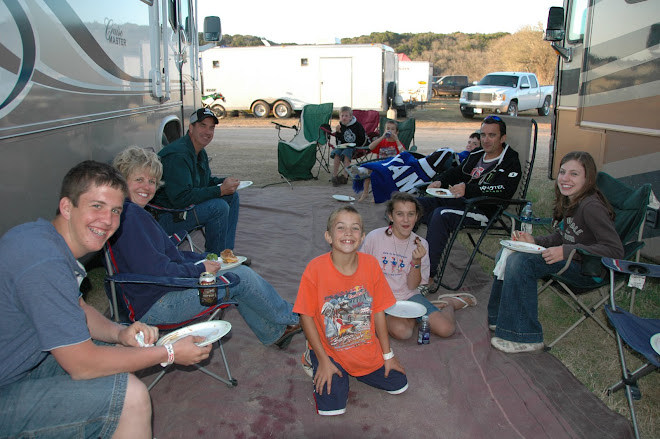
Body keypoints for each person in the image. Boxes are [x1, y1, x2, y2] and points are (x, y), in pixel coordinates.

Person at [0, 161, 212, 439]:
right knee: (130, 397)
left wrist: (119, 333)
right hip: (9, 384)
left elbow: (77, 308)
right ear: (67, 207)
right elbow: (83, 365)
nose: (108, 220)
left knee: (117, 354)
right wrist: (169, 353)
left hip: (20, 364)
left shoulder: (41, 238)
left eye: (115, 210)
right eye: (96, 206)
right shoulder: (44, 263)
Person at [111, 147, 302, 348]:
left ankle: (276, 332)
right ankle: (294, 318)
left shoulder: (129, 212)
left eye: (151, 181)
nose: (147, 187)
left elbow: (166, 259)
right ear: (122, 180)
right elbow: (158, 270)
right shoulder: (130, 217)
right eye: (139, 179)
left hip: (157, 294)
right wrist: (200, 269)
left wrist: (203, 259)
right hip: (156, 306)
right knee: (240, 278)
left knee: (233, 273)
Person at [487, 151, 624, 353]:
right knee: (507, 253)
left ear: (588, 178)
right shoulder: (572, 200)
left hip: (589, 270)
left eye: (574, 174)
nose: (565, 178)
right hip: (573, 259)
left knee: (522, 262)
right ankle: (501, 317)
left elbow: (615, 250)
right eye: (562, 172)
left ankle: (526, 336)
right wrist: (534, 241)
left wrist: (569, 251)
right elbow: (562, 236)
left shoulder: (591, 206)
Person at [294, 205, 407, 415]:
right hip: (329, 349)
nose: (348, 233)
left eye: (355, 228)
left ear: (362, 236)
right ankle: (313, 357)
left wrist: (387, 354)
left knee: (399, 383)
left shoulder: (371, 265)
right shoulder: (315, 269)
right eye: (341, 228)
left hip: (362, 347)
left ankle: (354, 369)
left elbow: (379, 312)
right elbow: (306, 315)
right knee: (333, 407)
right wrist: (324, 361)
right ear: (328, 236)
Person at [417, 115, 522, 290]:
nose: (486, 140)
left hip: (482, 210)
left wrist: (469, 189)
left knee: (440, 215)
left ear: (503, 138)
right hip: (459, 202)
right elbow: (456, 172)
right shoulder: (477, 154)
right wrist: (440, 181)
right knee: (411, 206)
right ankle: (400, 260)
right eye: (483, 135)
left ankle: (428, 276)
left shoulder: (510, 161)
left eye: (492, 135)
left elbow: (504, 190)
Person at [361, 192, 476, 340]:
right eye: (400, 214)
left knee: (446, 329)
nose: (406, 219)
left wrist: (416, 262)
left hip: (408, 296)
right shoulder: (374, 238)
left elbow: (412, 286)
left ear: (417, 217)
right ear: (391, 216)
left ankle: (449, 304)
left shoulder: (421, 244)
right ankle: (417, 315)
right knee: (403, 332)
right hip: (382, 299)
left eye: (411, 214)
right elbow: (360, 272)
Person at [151, 108, 240, 254]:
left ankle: (226, 254)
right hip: (166, 216)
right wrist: (219, 190)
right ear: (191, 128)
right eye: (203, 126)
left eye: (211, 128)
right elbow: (180, 198)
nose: (208, 132)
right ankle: (214, 260)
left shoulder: (199, 151)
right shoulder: (178, 155)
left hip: (181, 210)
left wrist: (225, 182)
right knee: (218, 207)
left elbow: (202, 183)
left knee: (232, 196)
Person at [352, 120, 403, 201]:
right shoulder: (382, 141)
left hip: (390, 167)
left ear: (397, 132)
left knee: (373, 172)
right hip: (379, 165)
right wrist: (382, 137)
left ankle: (375, 193)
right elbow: (370, 147)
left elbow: (404, 154)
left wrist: (396, 139)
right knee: (371, 171)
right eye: (388, 128)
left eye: (393, 129)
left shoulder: (398, 143)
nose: (390, 130)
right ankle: (365, 193)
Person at [330, 106, 366, 186]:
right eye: (342, 116)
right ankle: (335, 176)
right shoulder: (340, 126)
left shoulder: (357, 125)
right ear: (339, 117)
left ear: (351, 117)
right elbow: (338, 143)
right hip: (343, 146)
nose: (344, 118)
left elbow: (362, 138)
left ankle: (345, 176)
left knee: (346, 152)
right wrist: (338, 133)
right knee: (336, 152)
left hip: (355, 147)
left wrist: (354, 144)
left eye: (346, 116)